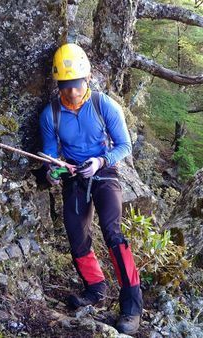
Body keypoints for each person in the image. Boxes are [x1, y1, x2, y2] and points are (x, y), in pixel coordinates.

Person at [39, 43, 142, 334]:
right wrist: (54, 170)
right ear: (59, 83)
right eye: (66, 86)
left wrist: (100, 161)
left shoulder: (103, 105)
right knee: (76, 232)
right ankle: (95, 288)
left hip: (104, 170)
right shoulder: (51, 114)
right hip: (75, 173)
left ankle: (132, 306)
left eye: (77, 85)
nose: (72, 92)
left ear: (87, 79)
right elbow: (49, 154)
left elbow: (124, 145)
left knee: (113, 232)